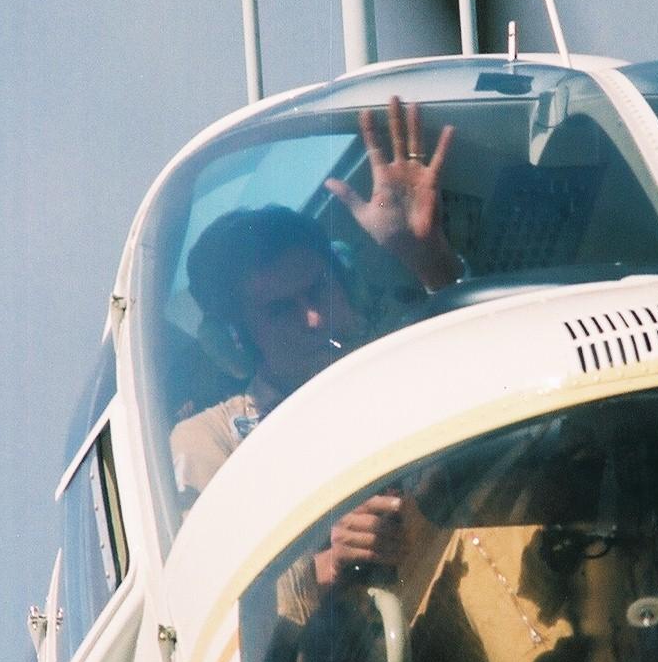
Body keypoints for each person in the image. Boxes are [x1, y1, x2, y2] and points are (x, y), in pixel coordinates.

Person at [171, 96, 461, 602]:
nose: (313, 317)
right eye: (281, 310)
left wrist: (428, 260)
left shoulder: (409, 360)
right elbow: (216, 610)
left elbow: (496, 381)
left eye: (319, 290)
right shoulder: (209, 442)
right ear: (237, 336)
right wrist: (330, 563)